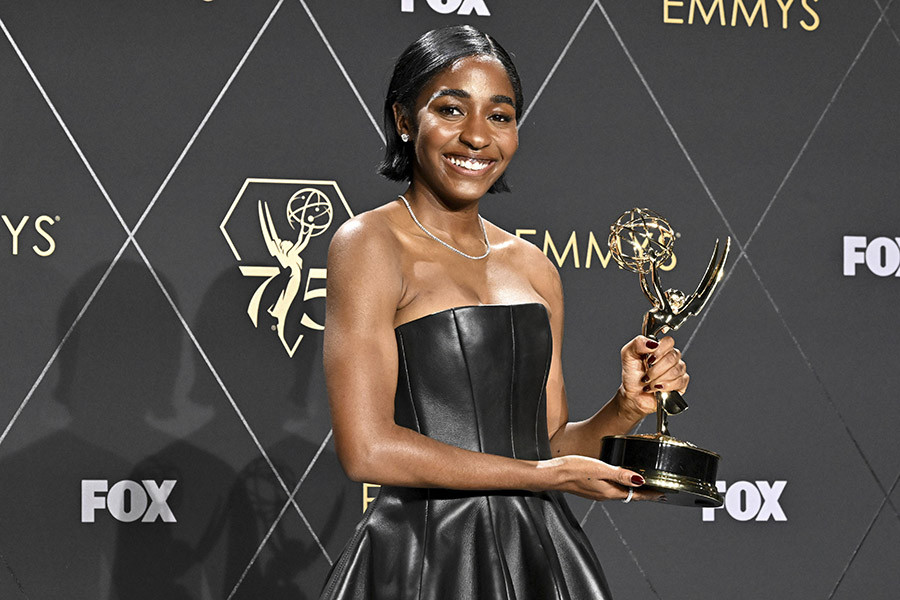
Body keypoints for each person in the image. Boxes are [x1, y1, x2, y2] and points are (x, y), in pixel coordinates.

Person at [319, 25, 689, 600]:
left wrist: (625, 409)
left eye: (499, 116)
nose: (476, 138)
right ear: (402, 120)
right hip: (423, 557)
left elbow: (550, 445)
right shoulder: (368, 244)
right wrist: (540, 478)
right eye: (449, 109)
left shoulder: (535, 266)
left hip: (537, 552)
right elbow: (367, 448)